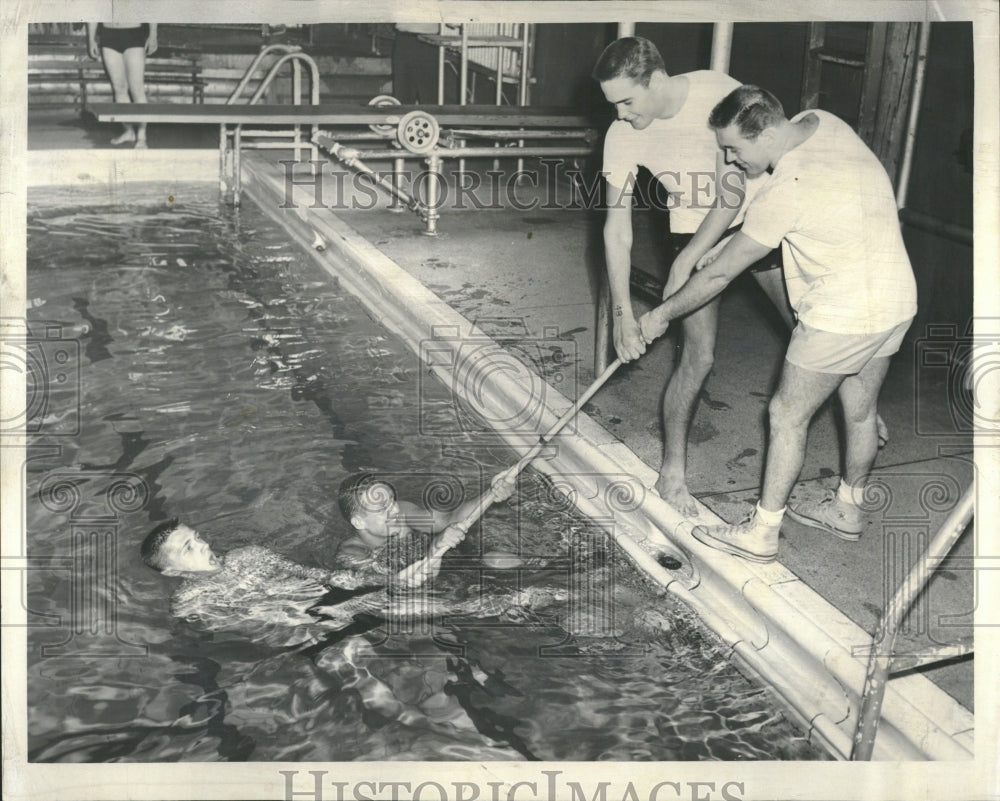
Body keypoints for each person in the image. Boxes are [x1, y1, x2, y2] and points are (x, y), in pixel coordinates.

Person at [638, 85, 917, 562]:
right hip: (896, 297)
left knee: (787, 415)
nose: (729, 158)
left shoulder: (789, 189)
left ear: (767, 133)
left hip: (841, 312)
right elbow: (744, 233)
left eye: (735, 148)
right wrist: (711, 249)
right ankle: (848, 510)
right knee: (860, 409)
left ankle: (761, 533)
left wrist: (659, 316)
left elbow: (726, 272)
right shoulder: (822, 120)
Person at [592, 37, 802, 519]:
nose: (620, 114)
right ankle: (672, 473)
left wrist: (688, 260)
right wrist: (624, 314)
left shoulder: (717, 93)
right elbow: (616, 229)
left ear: (657, 80)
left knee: (808, 335)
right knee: (698, 356)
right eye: (613, 104)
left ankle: (861, 412)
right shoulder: (622, 133)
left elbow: (731, 196)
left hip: (756, 224)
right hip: (690, 226)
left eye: (627, 100)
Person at [141, 517, 557, 647]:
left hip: (325, 597)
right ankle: (516, 601)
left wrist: (356, 577)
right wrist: (301, 619)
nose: (204, 545)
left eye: (197, 537)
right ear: (173, 572)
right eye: (189, 548)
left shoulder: (247, 555)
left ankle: (521, 594)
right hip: (306, 617)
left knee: (409, 589)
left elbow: (314, 574)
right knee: (417, 606)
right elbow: (246, 629)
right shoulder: (191, 602)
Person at [334, 470, 518, 579]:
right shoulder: (352, 554)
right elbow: (397, 583)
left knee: (500, 559)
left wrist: (493, 493)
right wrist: (437, 545)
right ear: (359, 522)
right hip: (421, 592)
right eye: (383, 508)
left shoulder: (403, 513)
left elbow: (447, 520)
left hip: (445, 561)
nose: (395, 510)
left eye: (393, 501)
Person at [87, 22, 158, 148]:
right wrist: (91, 40)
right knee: (119, 88)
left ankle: (142, 137)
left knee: (136, 89)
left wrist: (153, 35)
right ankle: (129, 131)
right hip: (108, 36)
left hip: (133, 34)